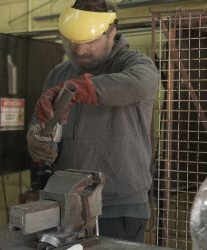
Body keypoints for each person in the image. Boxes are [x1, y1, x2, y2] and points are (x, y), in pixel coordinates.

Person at [27, 0, 159, 243]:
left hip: (119, 207)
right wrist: (37, 136)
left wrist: (79, 89)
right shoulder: (58, 73)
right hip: (67, 202)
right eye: (72, 42)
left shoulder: (134, 64)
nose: (79, 51)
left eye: (89, 42)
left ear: (111, 33)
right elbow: (41, 120)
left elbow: (142, 83)